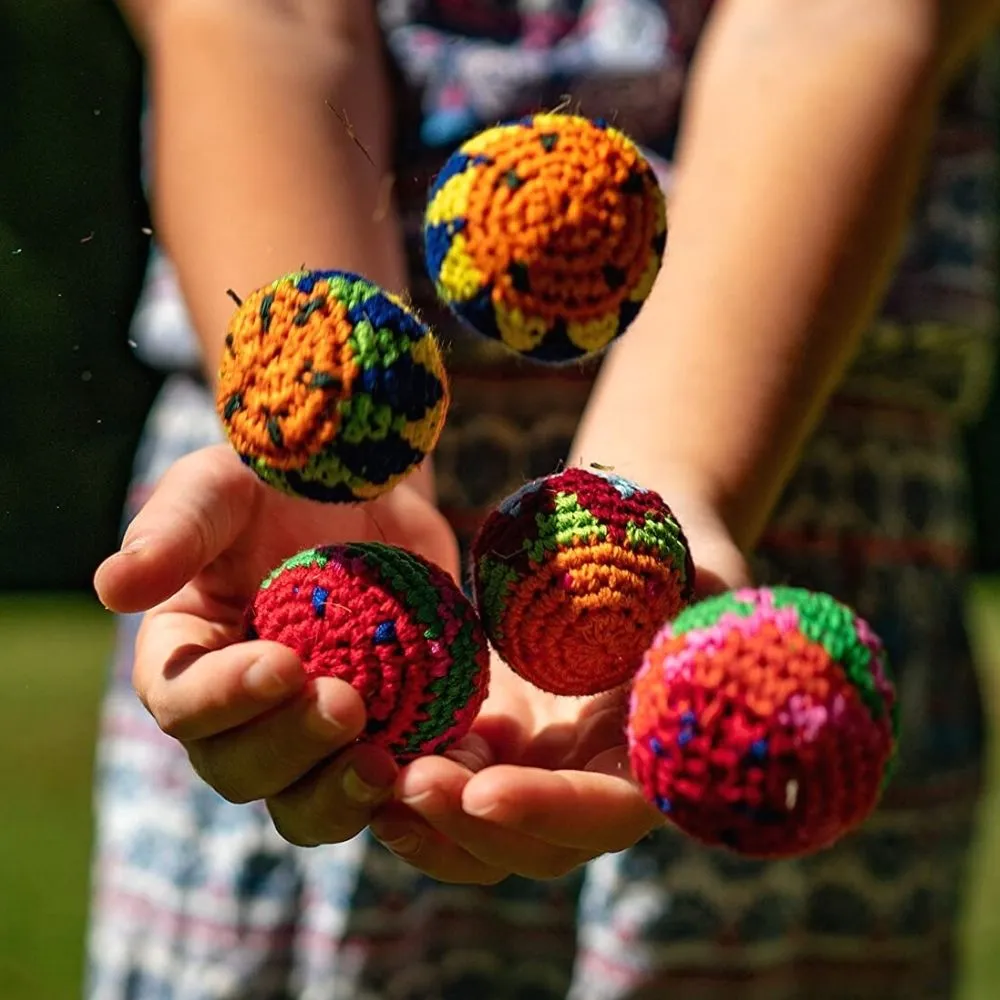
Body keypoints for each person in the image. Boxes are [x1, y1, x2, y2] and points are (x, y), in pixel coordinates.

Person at [88, 1, 998, 997]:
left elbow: (836, 20)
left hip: (773, 437)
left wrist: (670, 483)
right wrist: (321, 424)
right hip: (298, 497)